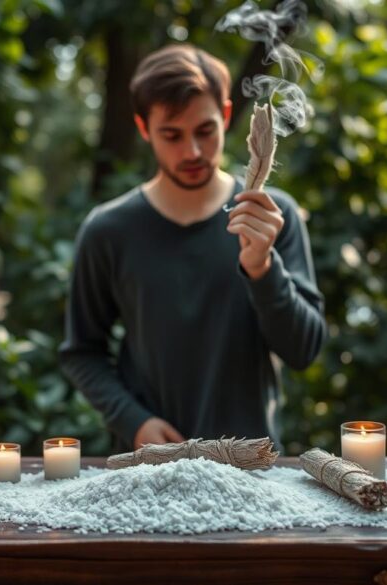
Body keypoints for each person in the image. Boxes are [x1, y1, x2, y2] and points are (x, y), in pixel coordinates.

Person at [58, 44, 326, 452]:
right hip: (149, 466)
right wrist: (134, 421)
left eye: (205, 130)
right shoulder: (108, 230)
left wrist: (262, 267)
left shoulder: (271, 216)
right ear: (143, 128)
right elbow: (82, 352)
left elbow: (303, 351)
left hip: (250, 466)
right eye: (172, 135)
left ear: (227, 116)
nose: (192, 152)